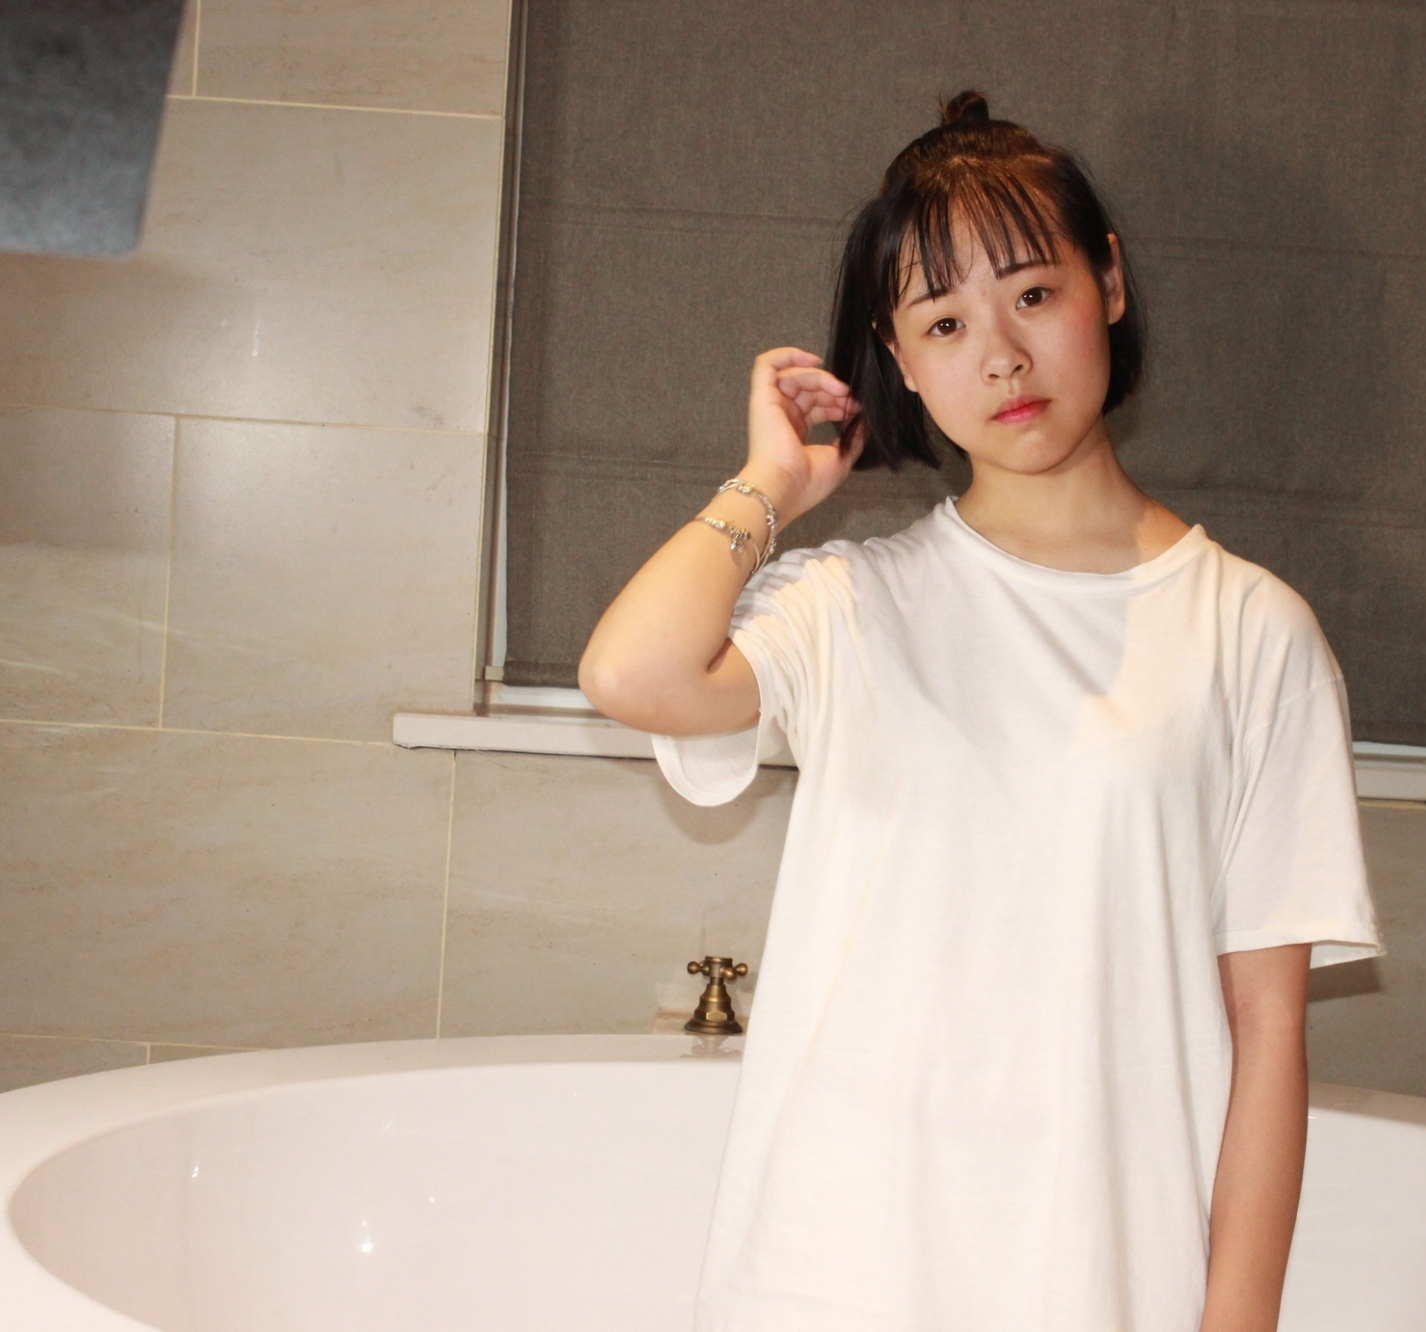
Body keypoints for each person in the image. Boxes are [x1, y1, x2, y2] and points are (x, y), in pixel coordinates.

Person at [580, 91, 1382, 1332]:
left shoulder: (1251, 633)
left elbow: (1265, 1032)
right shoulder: (852, 602)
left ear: (1107, 283)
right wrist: (769, 484)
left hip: (1094, 1276)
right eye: (943, 322)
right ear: (897, 361)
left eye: (1033, 293)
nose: (1000, 355)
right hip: (834, 1270)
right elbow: (633, 675)